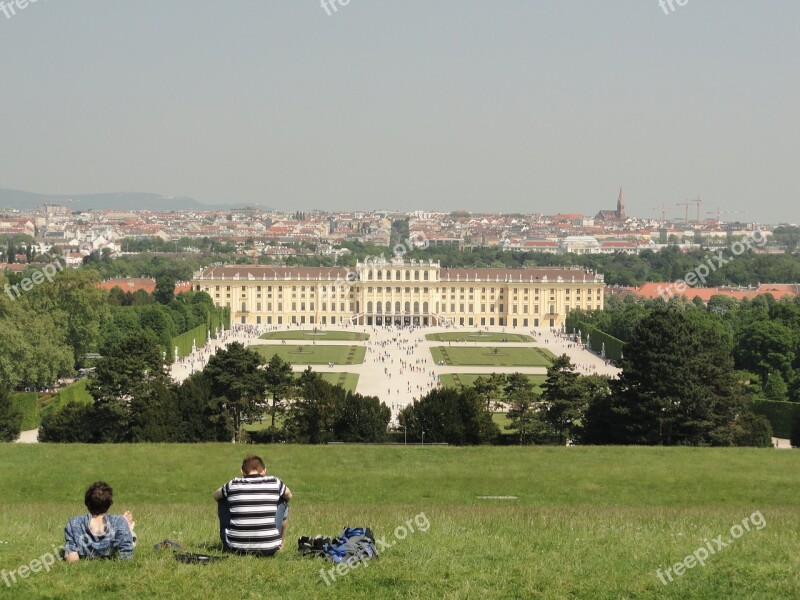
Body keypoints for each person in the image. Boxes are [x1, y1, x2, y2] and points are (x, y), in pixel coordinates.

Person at [213, 455, 292, 556]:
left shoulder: (233, 484)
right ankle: (280, 543)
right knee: (283, 500)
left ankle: (230, 539)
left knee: (222, 499)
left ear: (242, 472)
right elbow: (289, 495)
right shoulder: (275, 482)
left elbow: (215, 496)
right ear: (264, 471)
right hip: (270, 548)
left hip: (235, 547)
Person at [63, 481, 137, 562]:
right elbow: (125, 558)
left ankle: (126, 530)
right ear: (109, 504)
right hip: (115, 533)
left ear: (87, 503)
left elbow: (72, 559)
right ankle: (129, 531)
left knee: (120, 525)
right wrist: (123, 525)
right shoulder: (118, 522)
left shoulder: (74, 523)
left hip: (86, 542)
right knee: (122, 528)